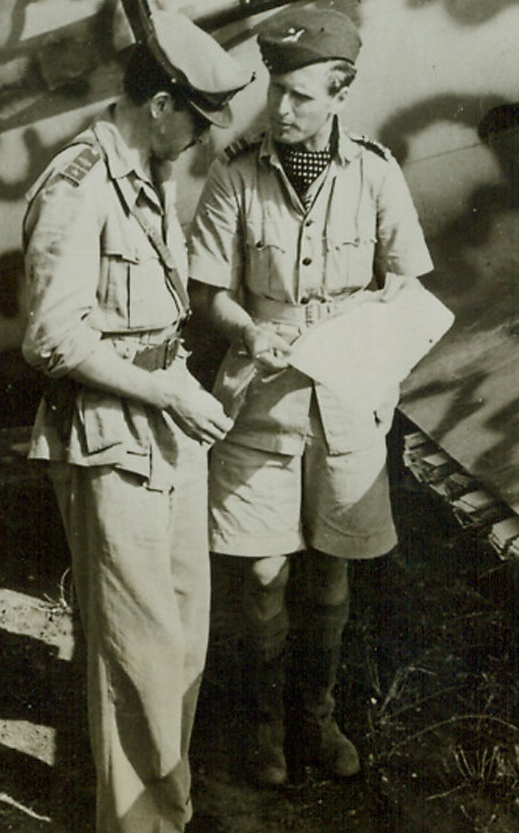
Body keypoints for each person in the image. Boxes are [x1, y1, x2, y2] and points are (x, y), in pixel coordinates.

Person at [21, 11, 251, 833]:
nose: (200, 141)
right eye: (196, 122)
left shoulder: (142, 172)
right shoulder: (78, 184)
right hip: (114, 432)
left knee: (184, 628)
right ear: (160, 106)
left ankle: (168, 801)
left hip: (165, 418)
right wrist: (168, 394)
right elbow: (50, 337)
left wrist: (179, 392)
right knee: (138, 645)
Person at [187, 3, 434, 788]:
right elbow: (206, 292)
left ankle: (315, 719)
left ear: (340, 90)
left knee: (331, 574)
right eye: (276, 92)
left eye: (300, 95)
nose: (281, 109)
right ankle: (261, 727)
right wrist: (250, 333)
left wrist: (375, 336)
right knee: (262, 578)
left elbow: (407, 279)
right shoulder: (235, 171)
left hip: (345, 398)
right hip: (261, 400)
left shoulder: (374, 169)